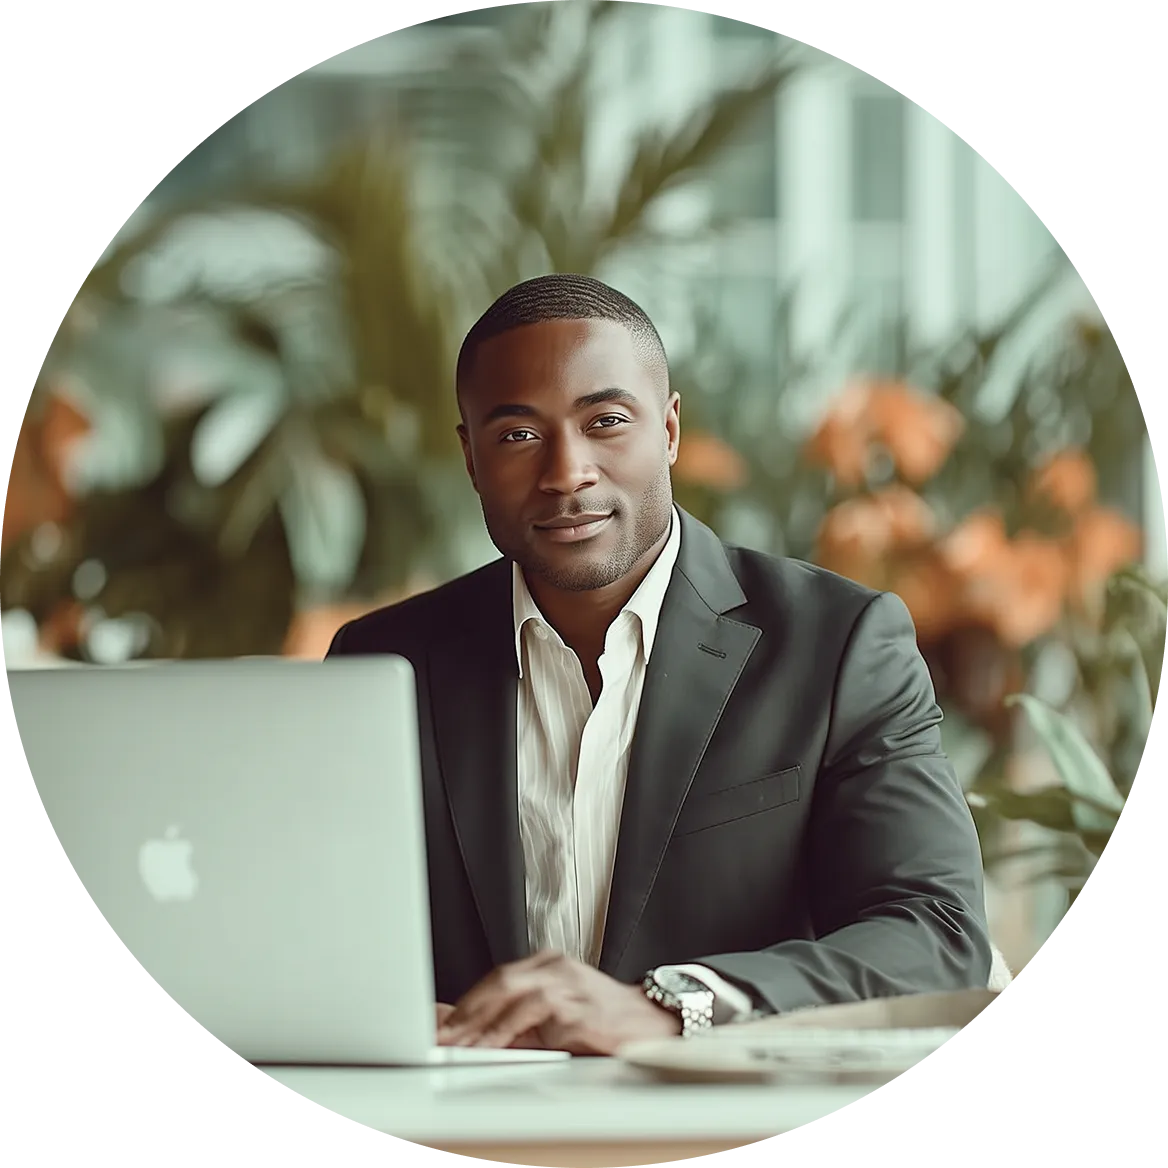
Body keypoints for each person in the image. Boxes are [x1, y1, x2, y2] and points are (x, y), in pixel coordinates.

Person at [325, 273, 993, 1055]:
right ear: (470, 456)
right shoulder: (382, 663)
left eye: (605, 421)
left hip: (719, 1121)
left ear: (669, 430)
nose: (566, 472)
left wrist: (673, 1008)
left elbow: (937, 935)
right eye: (517, 435)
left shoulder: (839, 644)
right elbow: (313, 927)